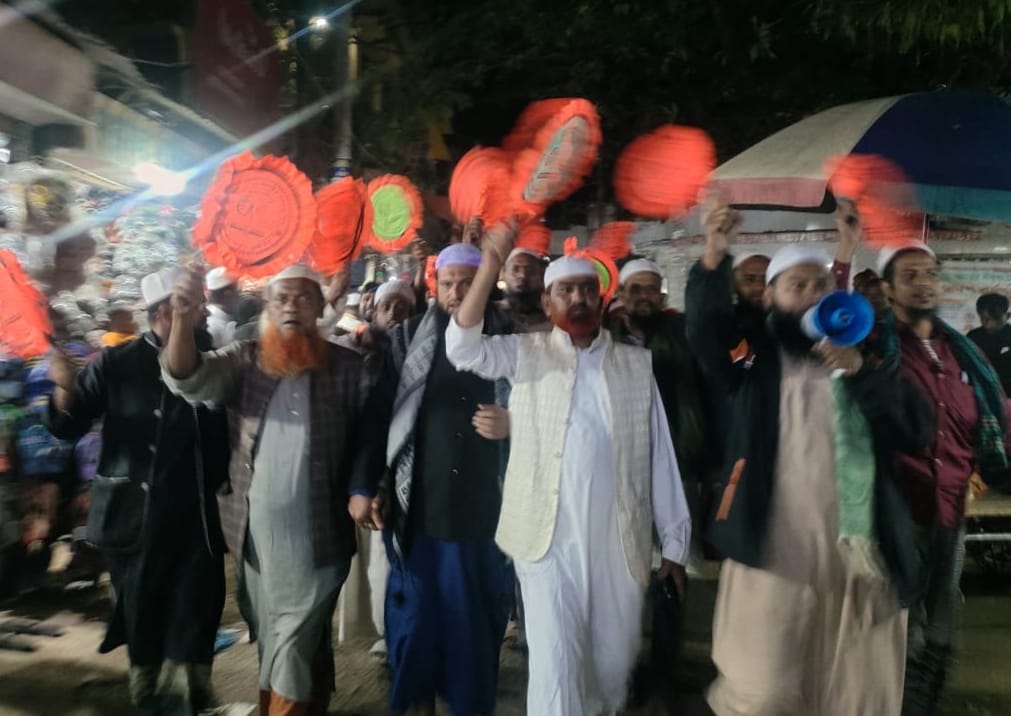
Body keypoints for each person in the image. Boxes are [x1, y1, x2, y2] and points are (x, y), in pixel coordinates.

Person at [686, 201, 931, 716]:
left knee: (853, 690)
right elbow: (708, 337)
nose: (812, 296)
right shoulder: (754, 358)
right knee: (764, 686)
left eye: (820, 286)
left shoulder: (867, 356)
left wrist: (861, 372)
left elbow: (914, 430)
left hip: (857, 557)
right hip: (774, 549)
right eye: (796, 286)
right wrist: (713, 254)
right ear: (771, 297)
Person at [444, 222, 691, 716]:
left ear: (601, 300)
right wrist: (490, 263)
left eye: (586, 290)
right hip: (546, 540)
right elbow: (462, 348)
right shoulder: (525, 353)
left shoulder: (635, 365)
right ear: (549, 301)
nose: (578, 298)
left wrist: (674, 542)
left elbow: (659, 454)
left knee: (610, 666)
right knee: (556, 664)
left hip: (617, 543)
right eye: (565, 291)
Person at [161, 263, 370, 716]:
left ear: (319, 305)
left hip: (320, 538)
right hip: (253, 537)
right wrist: (181, 317)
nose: (292, 306)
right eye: (282, 298)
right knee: (277, 636)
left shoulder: (349, 368)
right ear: (268, 306)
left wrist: (366, 488)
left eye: (303, 298)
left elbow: (371, 439)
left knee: (292, 637)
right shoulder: (245, 359)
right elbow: (187, 377)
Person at [45, 268, 231, 715]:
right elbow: (67, 427)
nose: (203, 314)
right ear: (165, 312)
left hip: (197, 519)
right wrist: (64, 388)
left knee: (193, 614)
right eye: (194, 307)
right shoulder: (116, 362)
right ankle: (150, 702)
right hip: (133, 519)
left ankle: (190, 703)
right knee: (144, 615)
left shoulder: (217, 359)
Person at [349, 243, 513, 716]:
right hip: (417, 511)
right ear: (434, 287)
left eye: (468, 282)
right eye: (448, 283)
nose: (457, 292)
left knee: (473, 636)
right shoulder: (406, 339)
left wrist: (516, 421)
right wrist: (363, 487)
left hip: (485, 518)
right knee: (413, 632)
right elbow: (379, 415)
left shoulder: (512, 339)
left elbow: (549, 409)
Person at [878, 244, 1011, 715]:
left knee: (941, 619)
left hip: (951, 503)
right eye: (910, 275)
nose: (924, 283)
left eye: (930, 273)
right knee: (898, 619)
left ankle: (923, 704)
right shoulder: (876, 349)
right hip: (894, 505)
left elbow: (992, 418)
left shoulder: (963, 353)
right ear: (888, 289)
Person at [612, 258, 712, 570]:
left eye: (652, 289)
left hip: (678, 458)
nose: (644, 296)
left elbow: (729, 356)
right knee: (629, 554)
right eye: (636, 289)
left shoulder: (683, 331)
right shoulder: (605, 336)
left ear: (663, 297)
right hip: (623, 463)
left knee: (684, 556)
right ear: (621, 294)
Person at [497, 247, 551, 332]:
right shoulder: (488, 314)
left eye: (530, 270)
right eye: (515, 269)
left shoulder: (554, 317)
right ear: (503, 274)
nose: (522, 275)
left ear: (542, 275)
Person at [967, 292, 1011, 395]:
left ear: (1008, 316)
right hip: (982, 392)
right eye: (984, 318)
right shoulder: (973, 337)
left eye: (996, 318)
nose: (989, 323)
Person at [205, 267, 240, 348]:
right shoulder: (213, 327)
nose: (239, 295)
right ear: (228, 294)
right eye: (237, 291)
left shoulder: (210, 320)